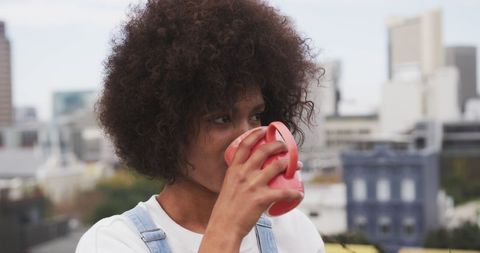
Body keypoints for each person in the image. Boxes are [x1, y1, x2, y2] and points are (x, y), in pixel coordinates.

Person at [76, 0, 324, 252]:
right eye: (222, 118)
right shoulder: (114, 242)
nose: (249, 136)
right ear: (169, 128)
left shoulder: (293, 232)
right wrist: (228, 227)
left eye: (255, 115)